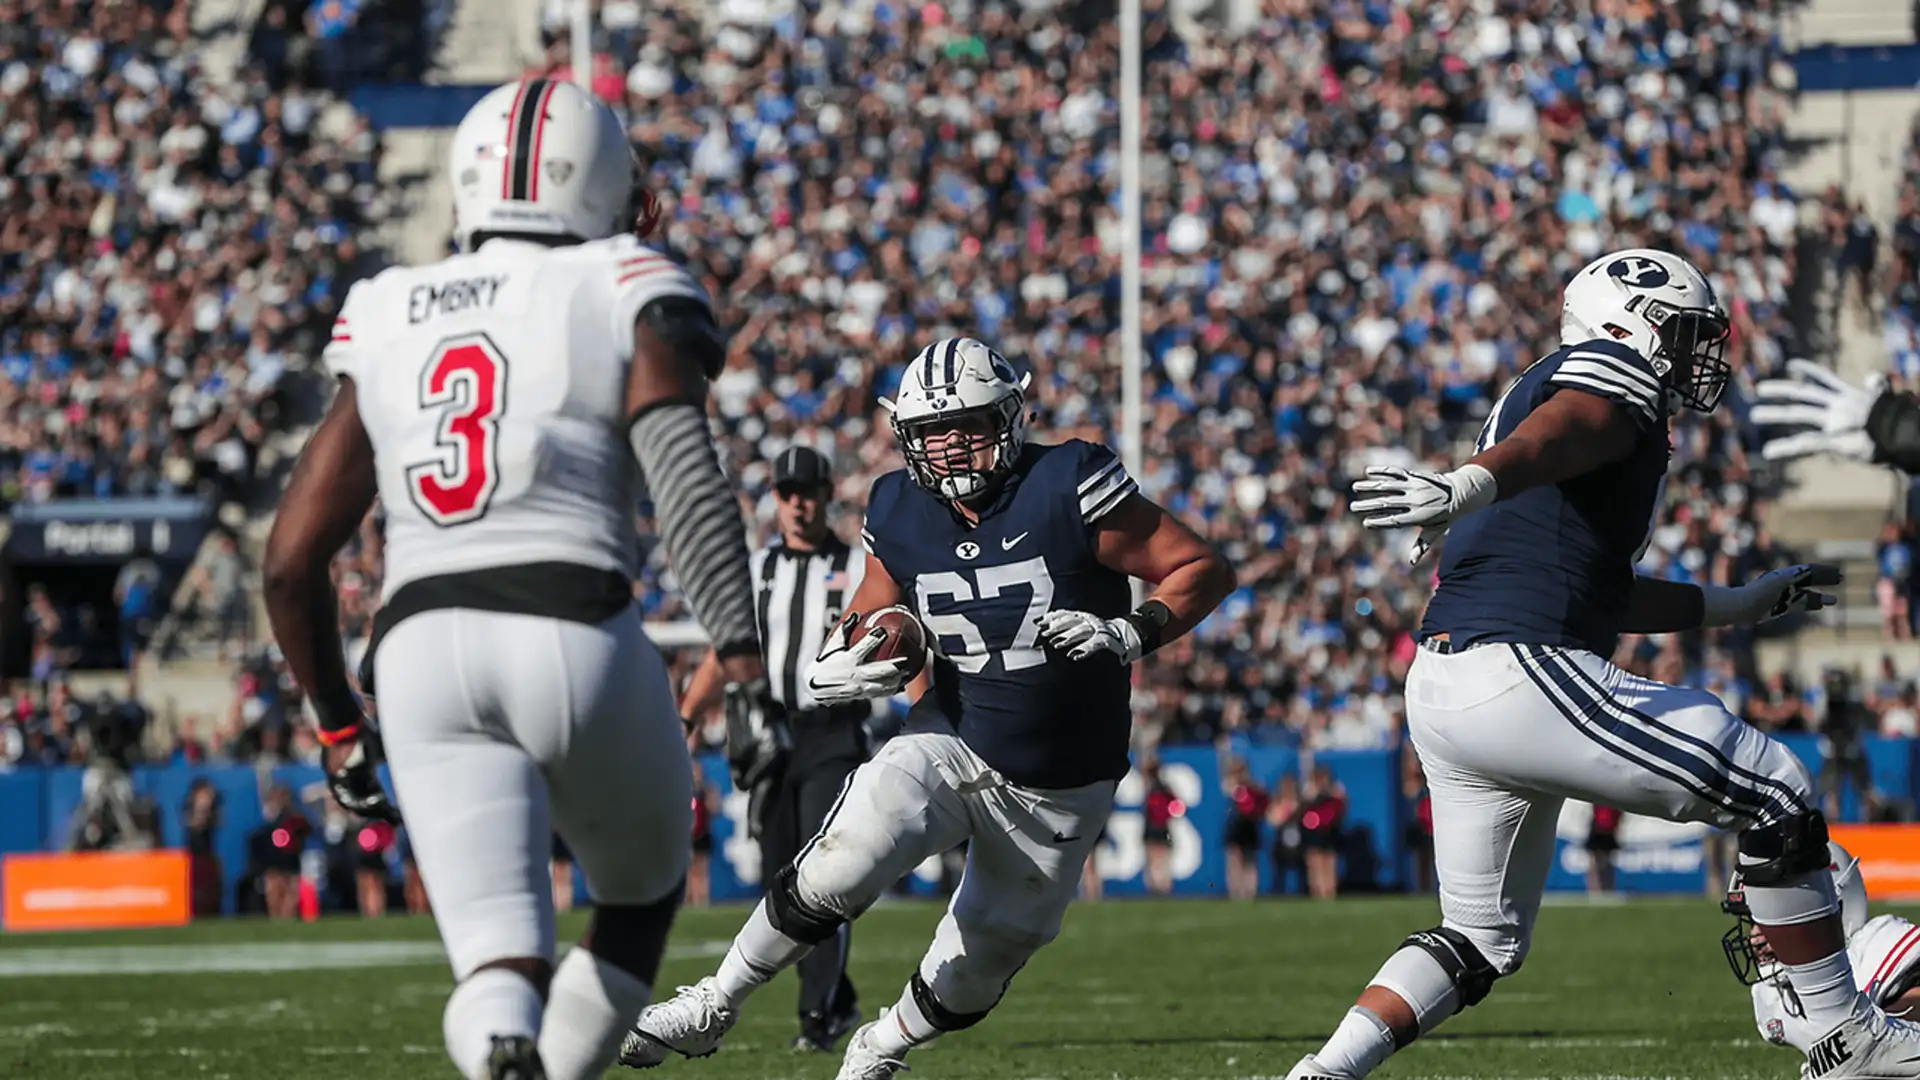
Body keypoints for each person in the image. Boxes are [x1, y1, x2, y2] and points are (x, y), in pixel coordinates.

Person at [1289, 248, 1917, 1080]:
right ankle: (1848, 1039)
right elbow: (1571, 426)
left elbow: (1602, 592)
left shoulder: (1538, 401)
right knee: (1777, 791)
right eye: (1687, 332)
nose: (1700, 355)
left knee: (1479, 939)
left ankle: (1322, 1073)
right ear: (1630, 321)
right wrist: (1470, 483)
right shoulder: (1605, 378)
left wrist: (1740, 603)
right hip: (1519, 669)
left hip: (1447, 684)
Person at [261, 78, 781, 1080]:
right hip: (568, 618)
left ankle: (504, 1043)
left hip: (416, 649)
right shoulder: (621, 280)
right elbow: (686, 480)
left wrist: (335, 722)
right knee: (638, 890)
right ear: (602, 187)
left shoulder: (387, 305)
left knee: (496, 956)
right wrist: (745, 662)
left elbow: (289, 562)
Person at [622, 336, 1236, 1080]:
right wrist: (854, 652)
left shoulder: (1068, 480)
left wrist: (1130, 631)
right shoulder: (898, 506)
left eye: (968, 425)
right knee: (844, 857)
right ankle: (714, 1002)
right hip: (954, 733)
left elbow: (1202, 566)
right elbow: (883, 613)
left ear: (1010, 416)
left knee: (982, 962)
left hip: (1062, 777)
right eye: (930, 433)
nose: (948, 447)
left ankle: (883, 1044)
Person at [677, 445, 868, 1052]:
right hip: (769, 734)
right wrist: (687, 713)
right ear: (776, 498)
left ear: (825, 494)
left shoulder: (859, 565)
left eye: (807, 491)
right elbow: (722, 653)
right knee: (778, 877)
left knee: (824, 869)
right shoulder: (759, 568)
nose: (797, 503)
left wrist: (926, 707)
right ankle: (833, 997)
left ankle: (819, 1013)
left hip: (833, 730)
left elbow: (894, 633)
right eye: (787, 492)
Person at [1729, 843, 1920, 1051]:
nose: (1755, 938)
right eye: (1752, 922)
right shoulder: (1771, 999)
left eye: (1769, 921)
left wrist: (1882, 1032)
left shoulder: (1876, 947)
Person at [1752, 360, 1920, 472]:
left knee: (1811, 412)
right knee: (1814, 434)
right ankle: (1768, 444)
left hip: (1870, 424)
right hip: (1871, 425)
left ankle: (1764, 398)